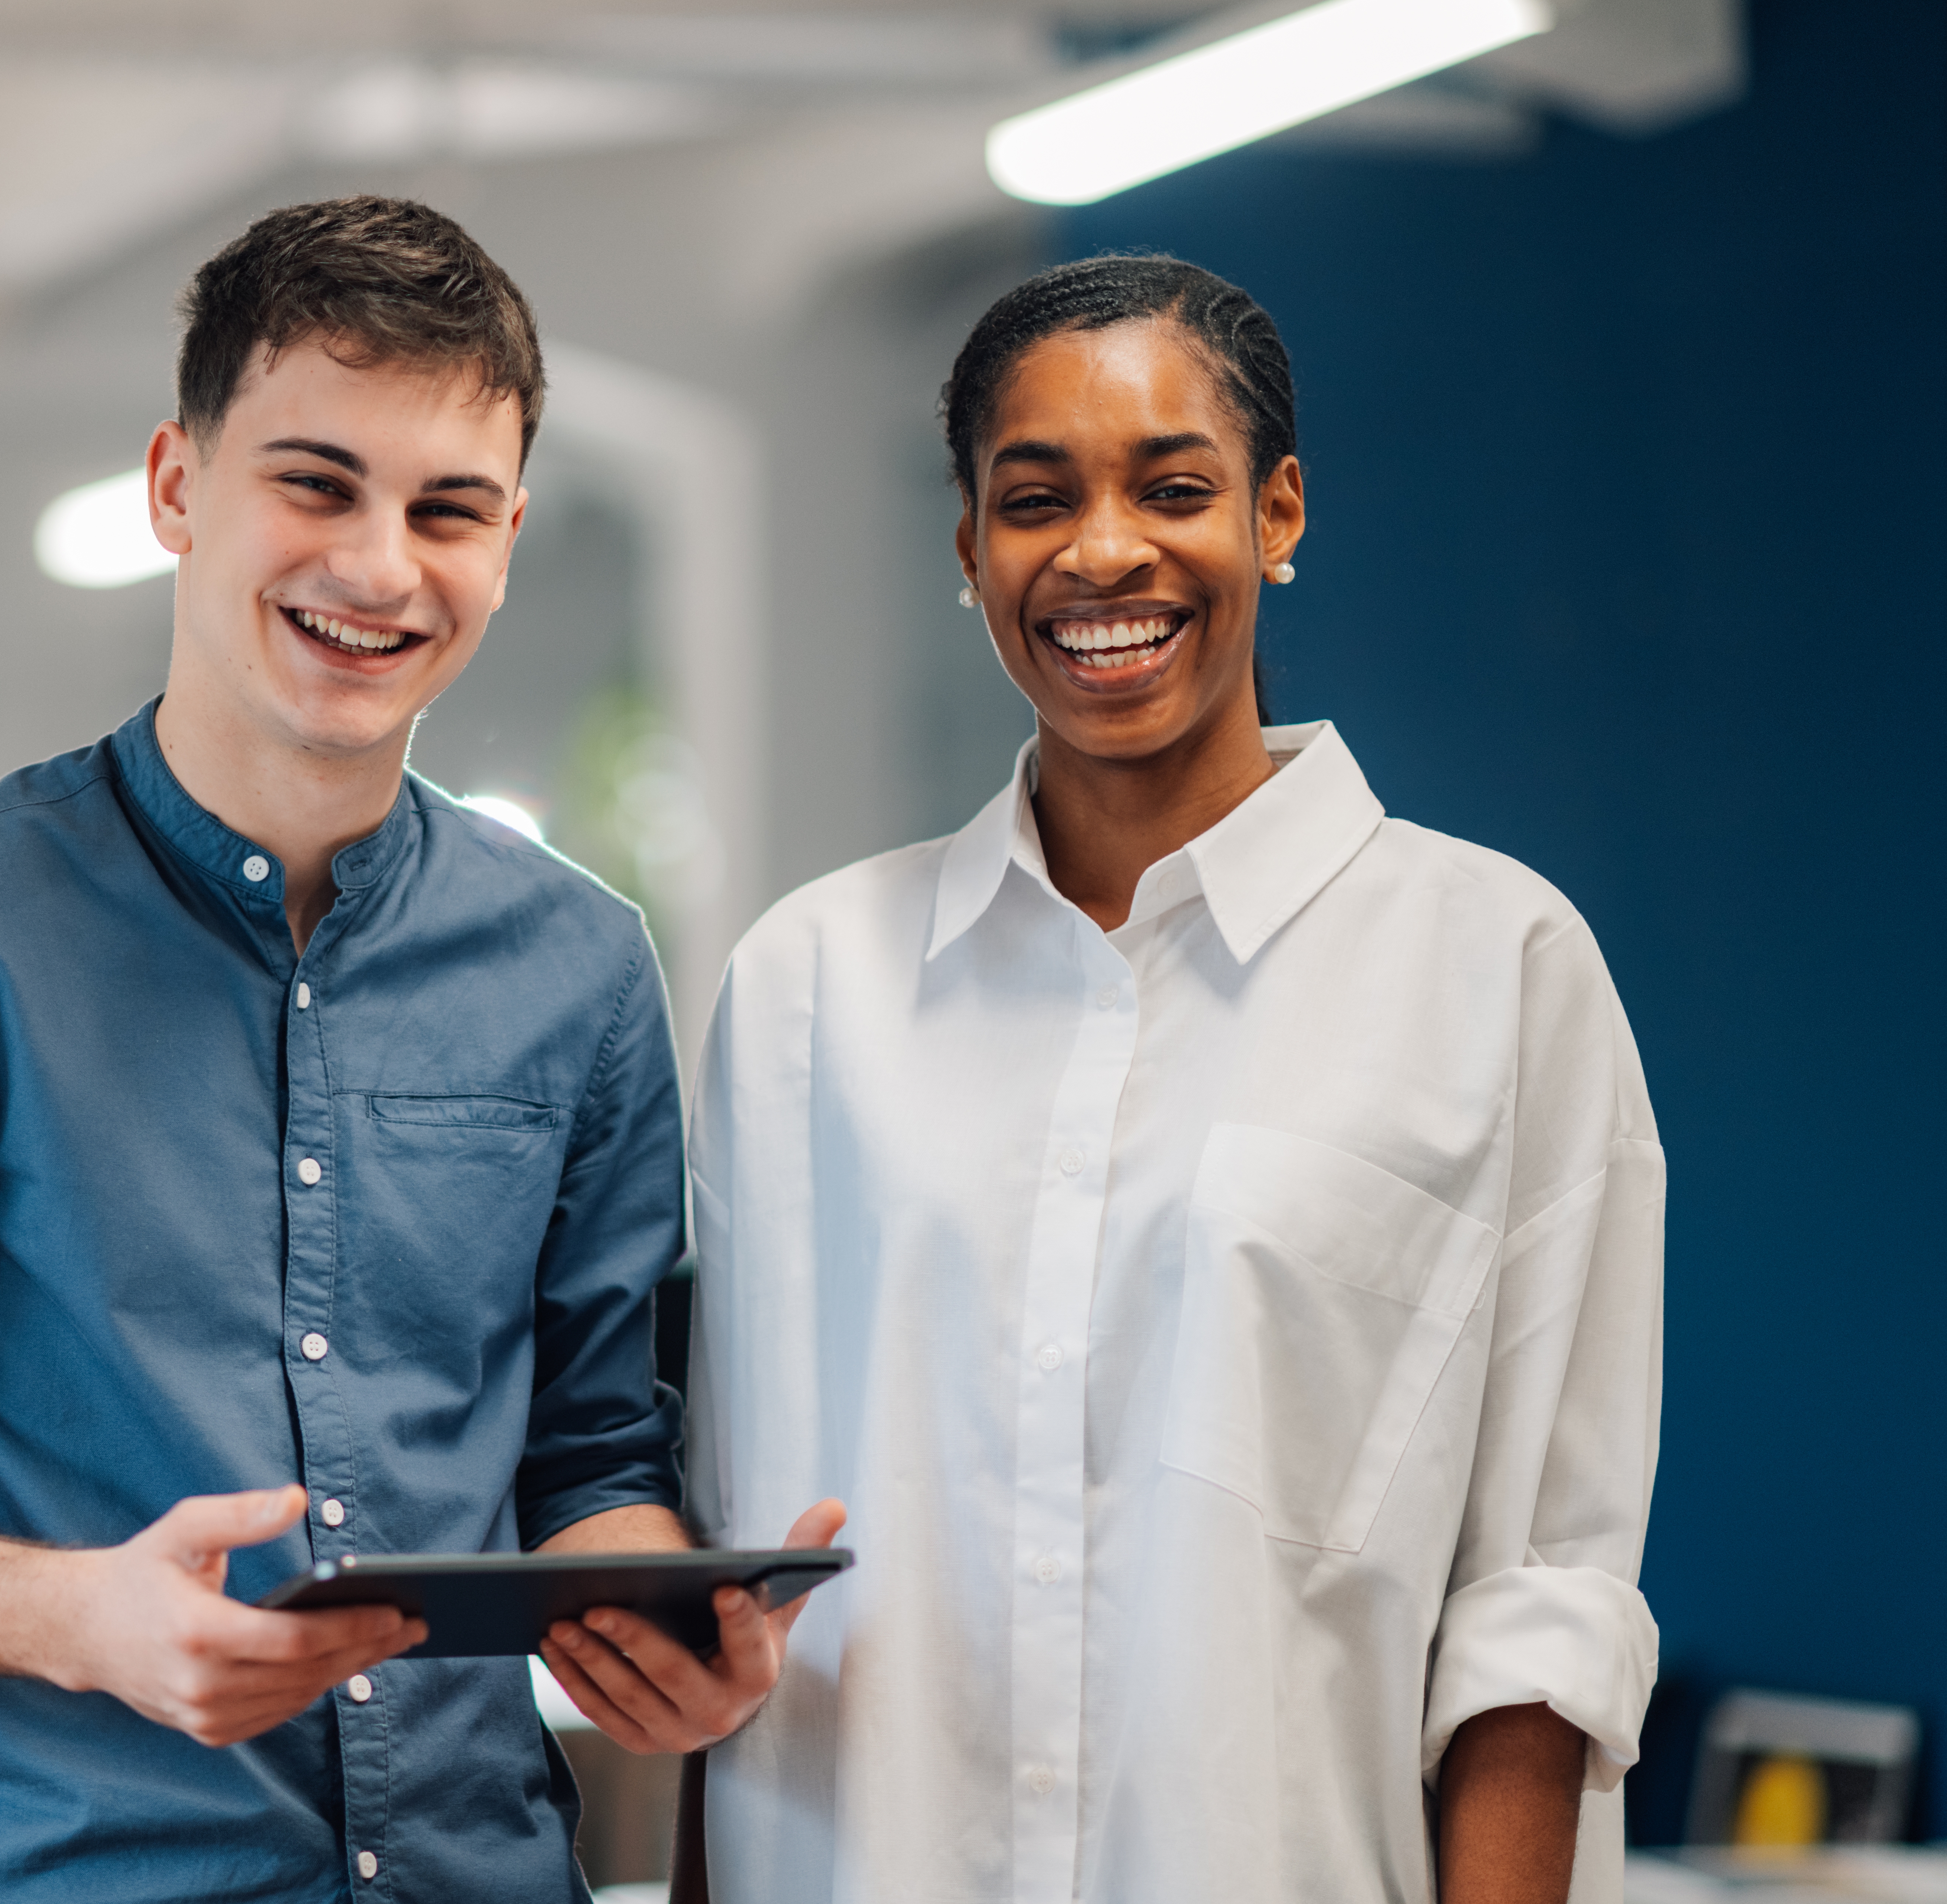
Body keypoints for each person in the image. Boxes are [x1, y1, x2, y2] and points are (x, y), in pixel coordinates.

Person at [0, 195, 836, 1903]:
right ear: (176, 485)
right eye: (316, 481)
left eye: (448, 508)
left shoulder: (579, 967)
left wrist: (671, 1622)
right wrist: (75, 1611)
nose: (378, 565)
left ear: (508, 536)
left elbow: (590, 1457)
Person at [683, 256, 1664, 1904]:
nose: (1104, 551)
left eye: (1176, 486)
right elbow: (742, 1570)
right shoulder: (806, 987)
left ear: (1277, 514)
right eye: (1035, 498)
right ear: (970, 553)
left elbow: (1536, 1605)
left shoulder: (1494, 964)